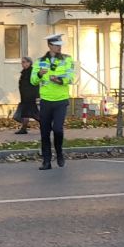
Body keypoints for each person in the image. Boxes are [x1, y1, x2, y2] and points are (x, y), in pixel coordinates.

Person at [31, 34, 75, 170]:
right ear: (49, 45)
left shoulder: (67, 59)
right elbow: (33, 80)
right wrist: (39, 74)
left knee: (57, 129)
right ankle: (46, 161)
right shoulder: (39, 61)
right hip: (46, 101)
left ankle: (59, 152)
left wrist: (60, 80)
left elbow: (71, 76)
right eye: (56, 45)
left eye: (60, 45)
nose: (59, 47)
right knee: (44, 132)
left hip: (61, 100)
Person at [13, 56, 39, 134]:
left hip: (30, 97)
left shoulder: (31, 72)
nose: (22, 64)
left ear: (29, 63)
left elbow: (35, 84)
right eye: (22, 62)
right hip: (25, 96)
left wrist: (35, 96)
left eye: (24, 62)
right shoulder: (24, 72)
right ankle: (24, 129)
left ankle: (24, 129)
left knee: (31, 113)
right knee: (29, 113)